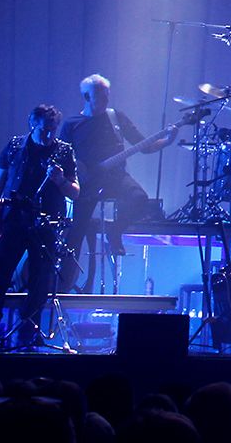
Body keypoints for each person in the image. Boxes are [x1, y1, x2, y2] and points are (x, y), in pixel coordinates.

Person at [0, 104, 79, 348]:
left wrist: (60, 180)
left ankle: (28, 329)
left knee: (40, 279)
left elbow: (75, 192)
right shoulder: (15, 147)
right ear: (32, 124)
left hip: (46, 223)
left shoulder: (64, 151)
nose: (49, 135)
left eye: (53, 129)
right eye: (44, 129)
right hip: (14, 219)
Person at [60, 74, 161, 290]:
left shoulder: (116, 118)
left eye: (107, 95)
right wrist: (78, 167)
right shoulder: (72, 124)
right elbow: (62, 154)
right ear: (87, 97)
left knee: (139, 199)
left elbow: (143, 145)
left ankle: (115, 232)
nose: (106, 99)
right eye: (101, 95)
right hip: (86, 183)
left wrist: (167, 140)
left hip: (116, 178)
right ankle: (63, 285)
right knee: (75, 233)